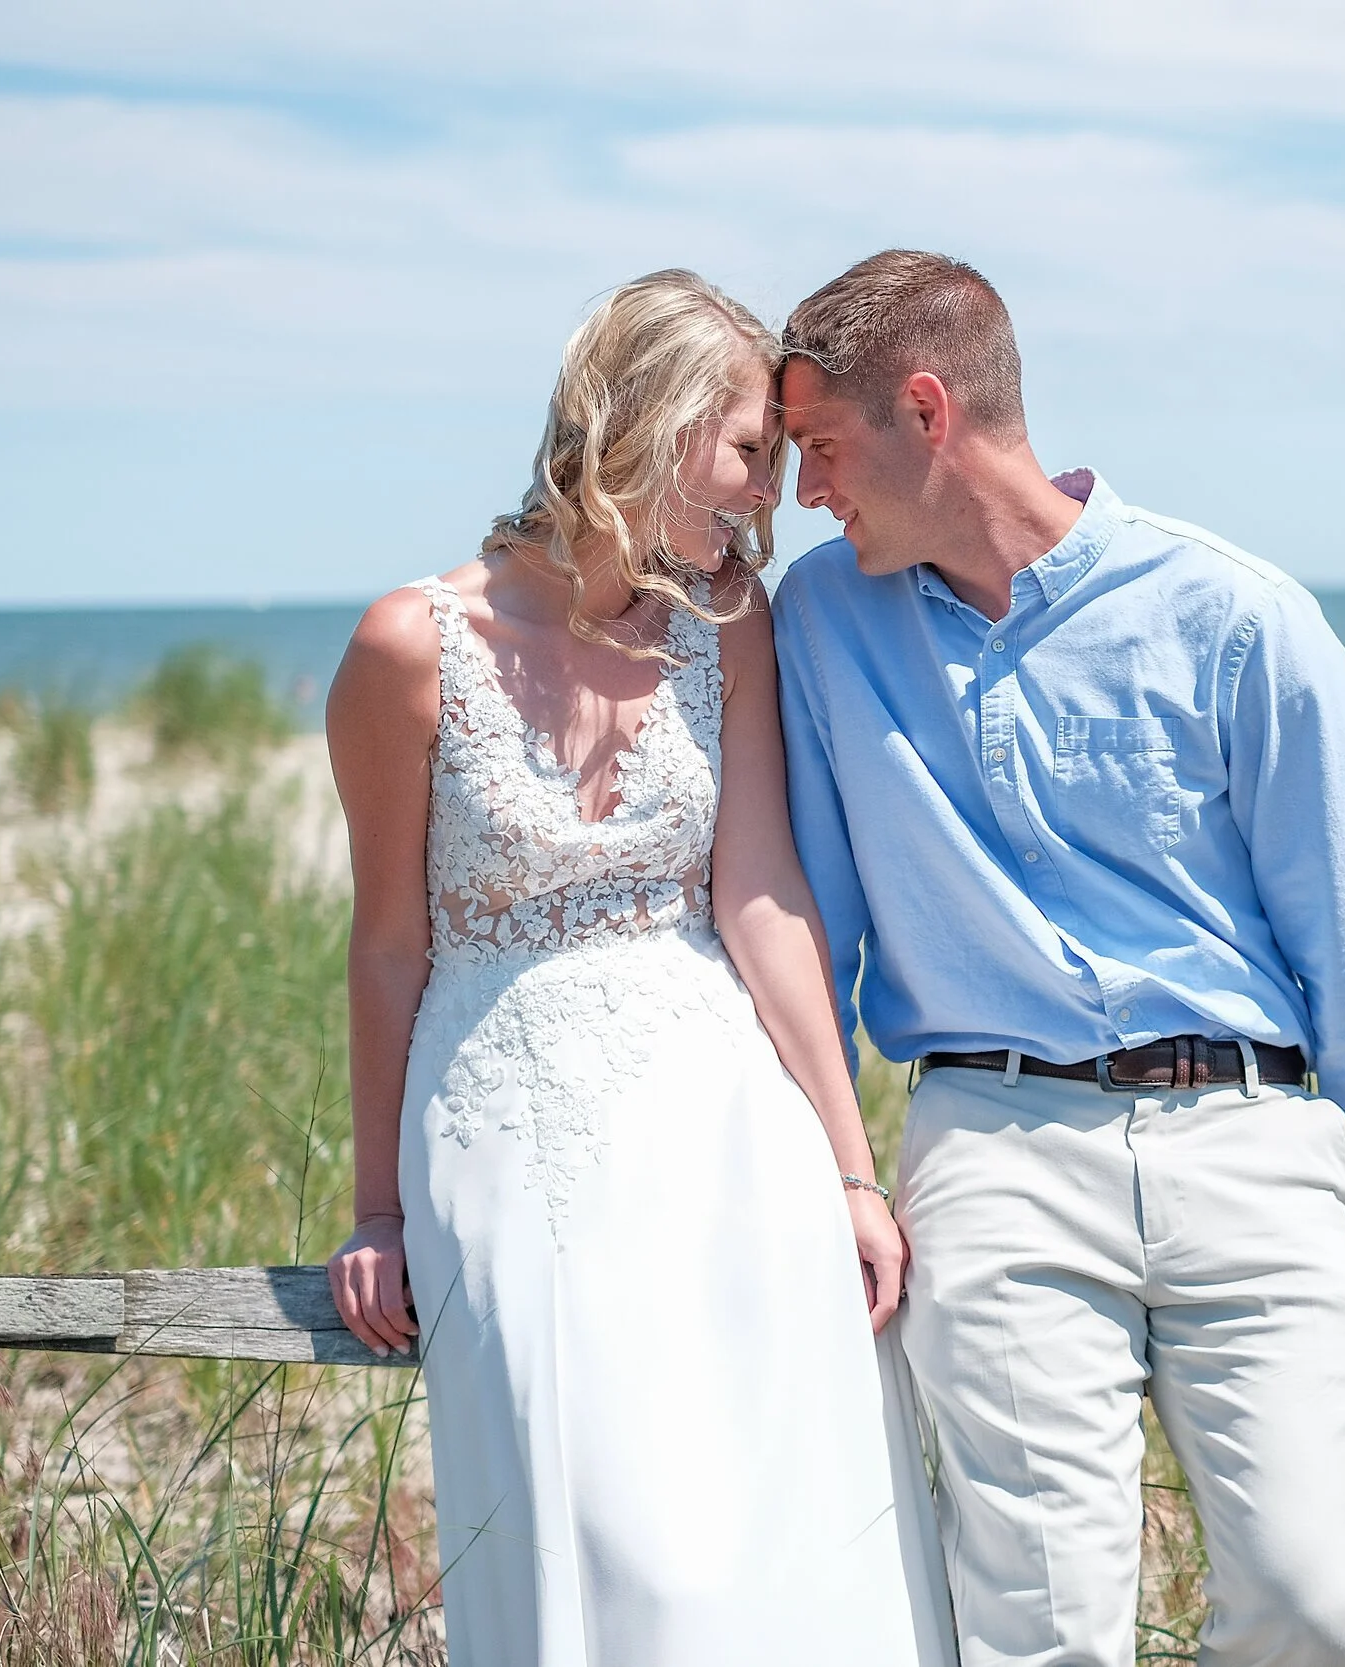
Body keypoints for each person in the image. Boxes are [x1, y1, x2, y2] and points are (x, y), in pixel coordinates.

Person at [771, 250, 1345, 1667]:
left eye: (822, 448)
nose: (806, 494)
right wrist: (842, 1173)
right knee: (1044, 1628)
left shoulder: (1238, 620)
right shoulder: (821, 623)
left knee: (1310, 1606)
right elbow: (816, 931)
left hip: (1253, 1144)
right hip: (994, 1146)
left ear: (926, 412)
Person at [323, 269, 954, 1666]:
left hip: (727, 1119)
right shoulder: (409, 648)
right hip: (511, 1128)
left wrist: (850, 1168)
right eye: (749, 454)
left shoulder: (730, 625)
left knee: (781, 1520)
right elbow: (385, 946)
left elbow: (764, 893)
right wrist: (375, 1208)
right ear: (647, 422)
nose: (769, 503)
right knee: (611, 1540)